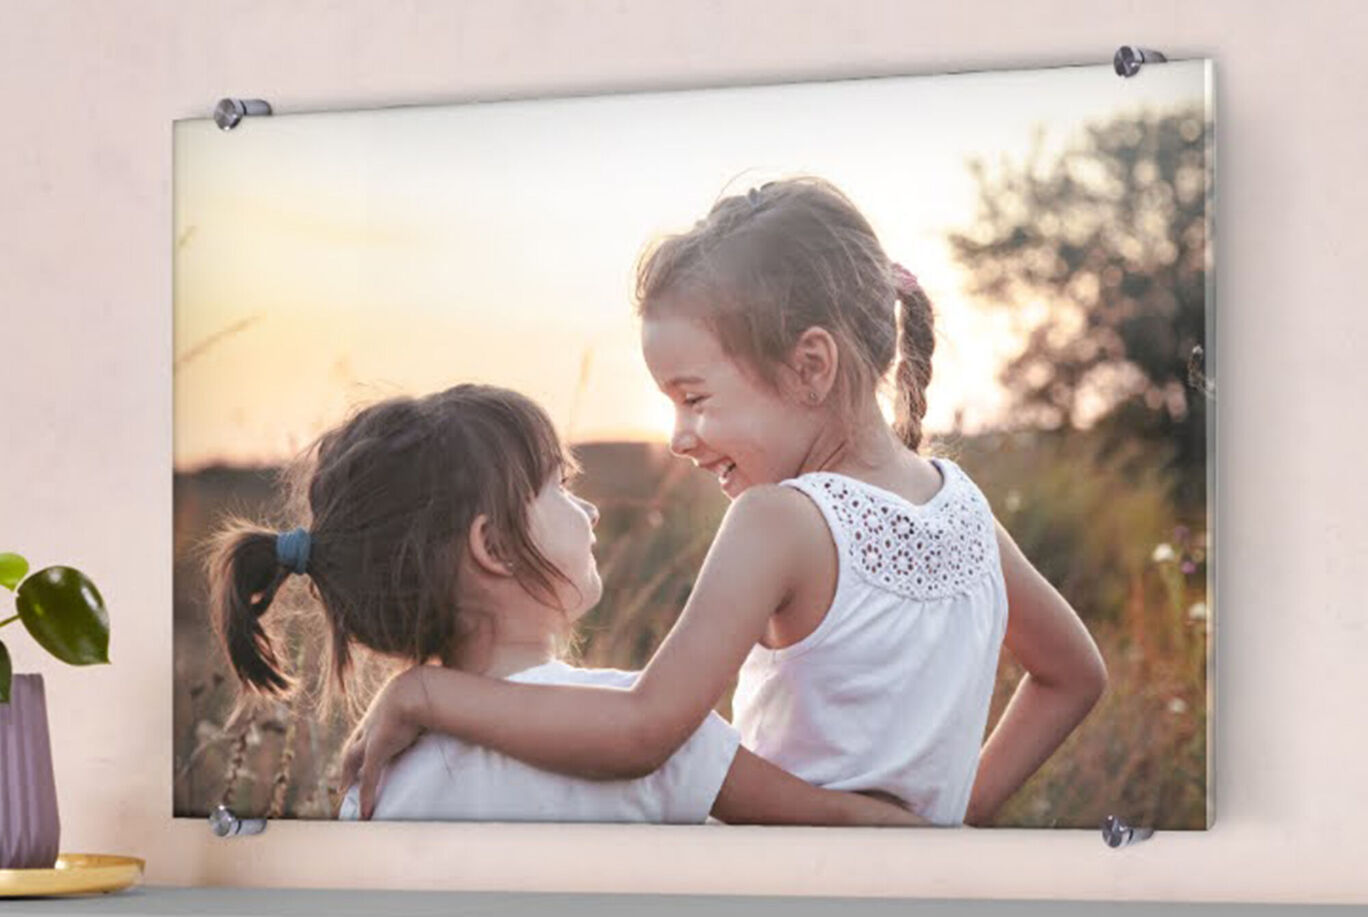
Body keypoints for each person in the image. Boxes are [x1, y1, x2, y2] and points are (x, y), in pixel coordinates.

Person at [341, 178, 1108, 826]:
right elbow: (1076, 675)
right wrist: (953, 824)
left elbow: (643, 731)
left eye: (695, 397)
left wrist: (426, 691)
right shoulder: (967, 512)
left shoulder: (781, 522)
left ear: (810, 366)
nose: (678, 437)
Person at [208, 383, 923, 826]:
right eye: (560, 485)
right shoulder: (648, 735)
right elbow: (842, 828)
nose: (590, 510)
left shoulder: (376, 778)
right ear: (494, 545)